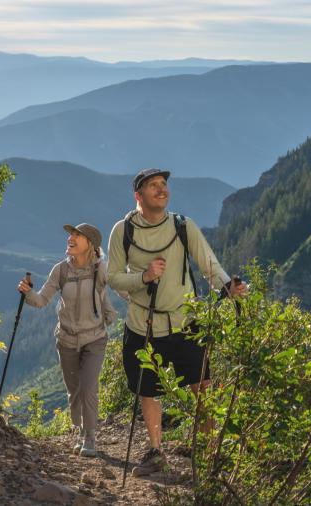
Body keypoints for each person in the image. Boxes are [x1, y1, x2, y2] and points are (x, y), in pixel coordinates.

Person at [107, 168, 247, 476]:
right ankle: (156, 451)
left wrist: (229, 287)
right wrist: (143, 277)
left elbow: (209, 264)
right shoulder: (123, 231)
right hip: (142, 324)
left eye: (164, 185)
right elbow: (112, 277)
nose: (162, 190)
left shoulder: (183, 226)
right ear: (138, 196)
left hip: (186, 322)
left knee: (202, 386)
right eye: (153, 186)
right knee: (147, 389)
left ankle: (211, 456)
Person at [18, 223, 117, 458]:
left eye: (76, 236)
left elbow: (119, 288)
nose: (70, 238)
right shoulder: (60, 271)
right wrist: (27, 293)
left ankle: (91, 436)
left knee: (89, 387)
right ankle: (81, 430)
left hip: (95, 338)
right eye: (70, 235)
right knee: (74, 390)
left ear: (89, 244)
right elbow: (41, 300)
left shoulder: (100, 269)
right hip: (67, 339)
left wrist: (143, 286)